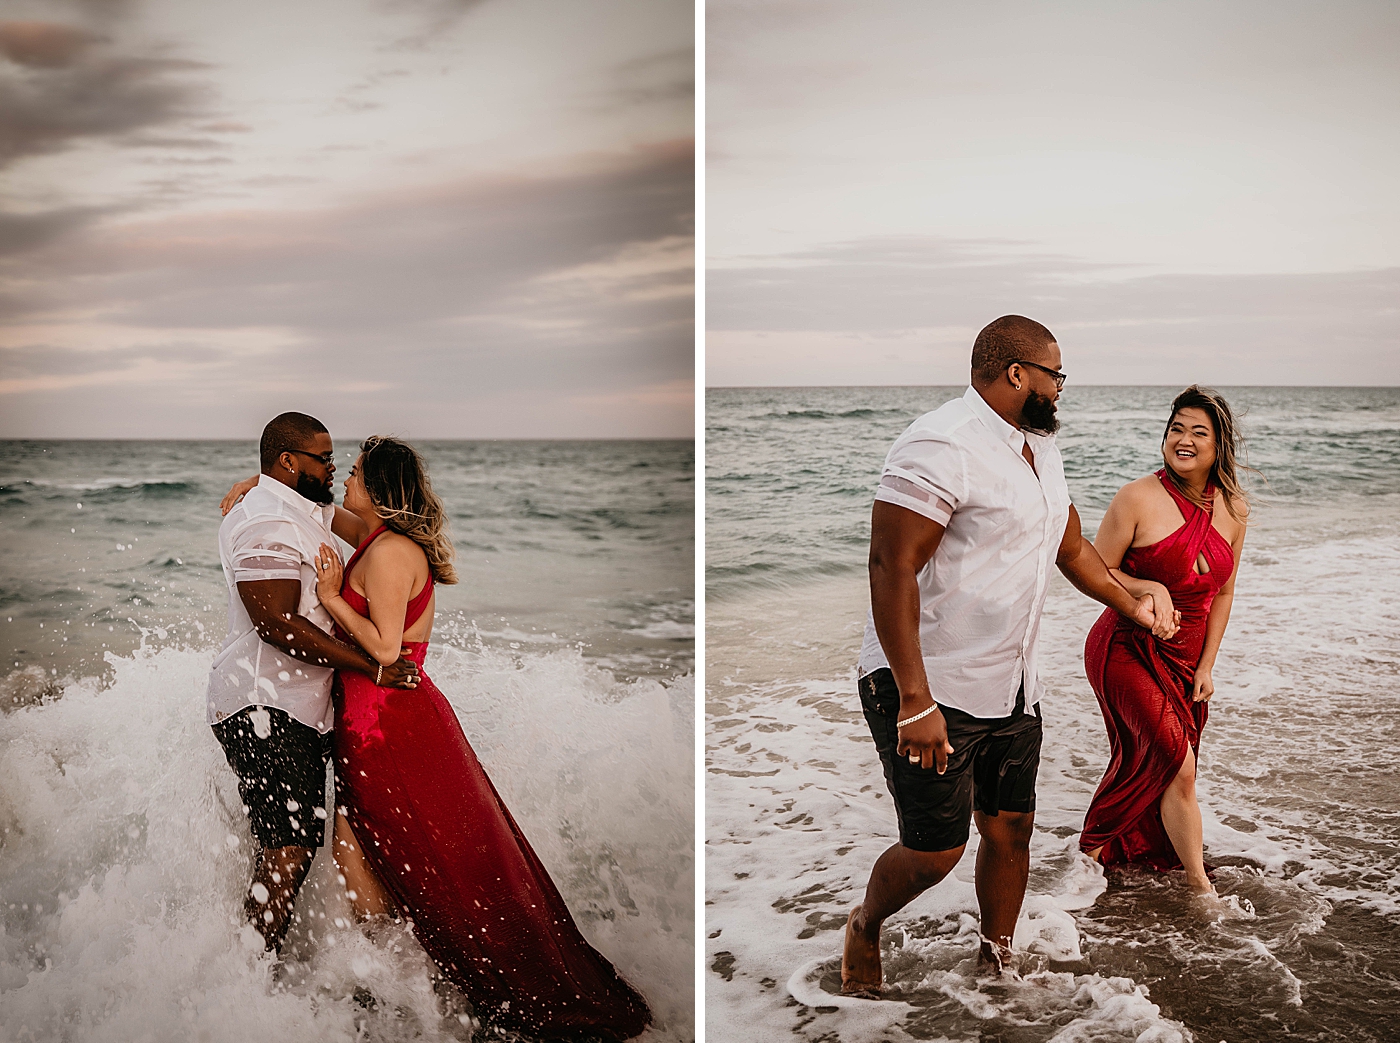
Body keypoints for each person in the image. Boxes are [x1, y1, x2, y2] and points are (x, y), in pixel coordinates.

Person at [230, 435, 651, 1039]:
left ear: (377, 489)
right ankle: (400, 993)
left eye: (352, 474)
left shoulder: (392, 552)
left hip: (392, 729)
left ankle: (426, 994)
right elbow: (318, 510)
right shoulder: (375, 539)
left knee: (416, 861)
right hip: (366, 727)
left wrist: (327, 598)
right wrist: (262, 488)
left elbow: (382, 648)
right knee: (369, 863)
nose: (343, 482)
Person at [842, 315, 1180, 995]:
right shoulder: (942, 443)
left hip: (1011, 684)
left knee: (1012, 829)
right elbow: (890, 565)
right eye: (1056, 374)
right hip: (930, 684)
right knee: (936, 849)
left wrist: (1129, 601)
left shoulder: (1038, 449)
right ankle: (864, 924)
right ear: (1017, 373)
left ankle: (997, 959)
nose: (1061, 388)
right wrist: (914, 699)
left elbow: (1072, 547)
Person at [208, 412, 419, 954]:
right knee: (288, 849)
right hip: (264, 704)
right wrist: (367, 665)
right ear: (289, 460)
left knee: (297, 845)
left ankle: (268, 971)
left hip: (297, 707)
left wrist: (259, 480)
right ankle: (244, 979)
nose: (333, 467)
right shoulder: (269, 523)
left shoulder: (300, 509)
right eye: (324, 458)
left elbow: (332, 513)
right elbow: (275, 622)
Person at [1078, 386, 1250, 895]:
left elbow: (1224, 593)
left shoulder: (1234, 509)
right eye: (1177, 428)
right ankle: (1200, 887)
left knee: (1154, 762)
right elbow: (1096, 569)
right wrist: (1148, 586)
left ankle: (1097, 857)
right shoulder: (1137, 497)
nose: (1185, 440)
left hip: (1186, 658)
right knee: (1179, 763)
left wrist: (1207, 666)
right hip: (1125, 648)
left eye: (1199, 432)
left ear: (1219, 445)